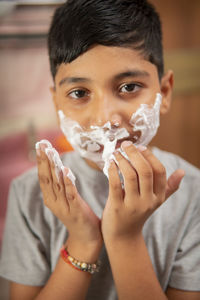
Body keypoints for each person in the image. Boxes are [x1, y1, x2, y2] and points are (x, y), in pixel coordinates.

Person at [0, 0, 200, 299]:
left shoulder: (193, 193)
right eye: (79, 93)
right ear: (57, 104)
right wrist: (82, 241)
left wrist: (124, 238)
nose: (107, 118)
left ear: (165, 92)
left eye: (129, 87)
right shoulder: (30, 192)